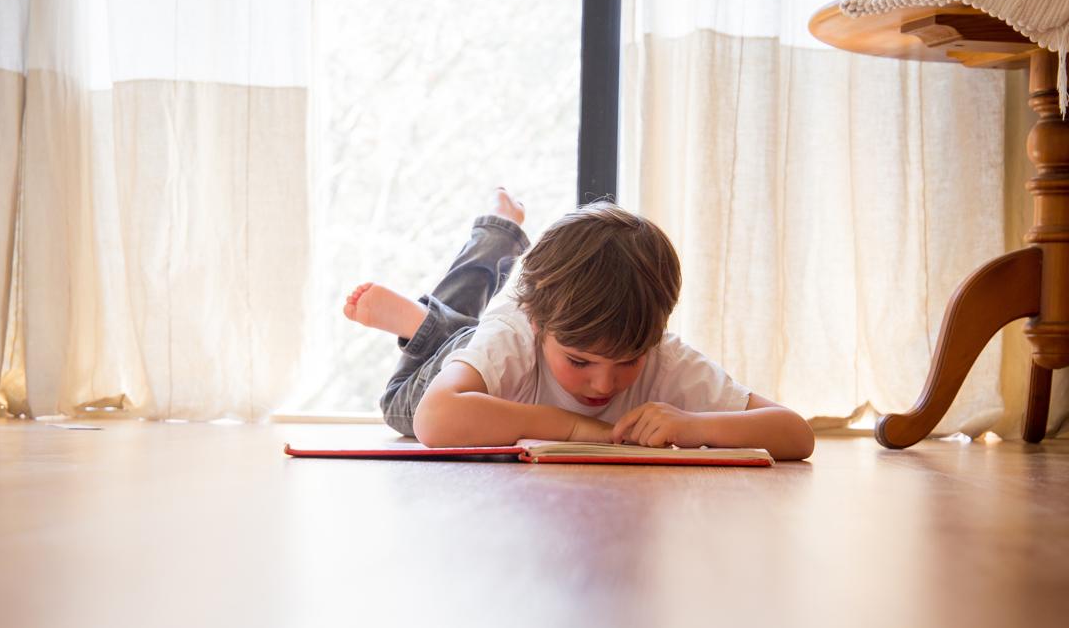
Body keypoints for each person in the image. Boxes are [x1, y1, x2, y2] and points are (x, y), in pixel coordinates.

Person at [343, 189, 814, 461]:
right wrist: (569, 428)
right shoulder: (516, 334)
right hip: (458, 364)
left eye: (628, 360)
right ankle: (444, 306)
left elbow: (795, 433)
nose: (604, 383)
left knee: (473, 337)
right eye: (579, 360)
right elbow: (435, 417)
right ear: (538, 324)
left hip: (502, 346)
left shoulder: (664, 355)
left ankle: (450, 319)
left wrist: (694, 425)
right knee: (397, 403)